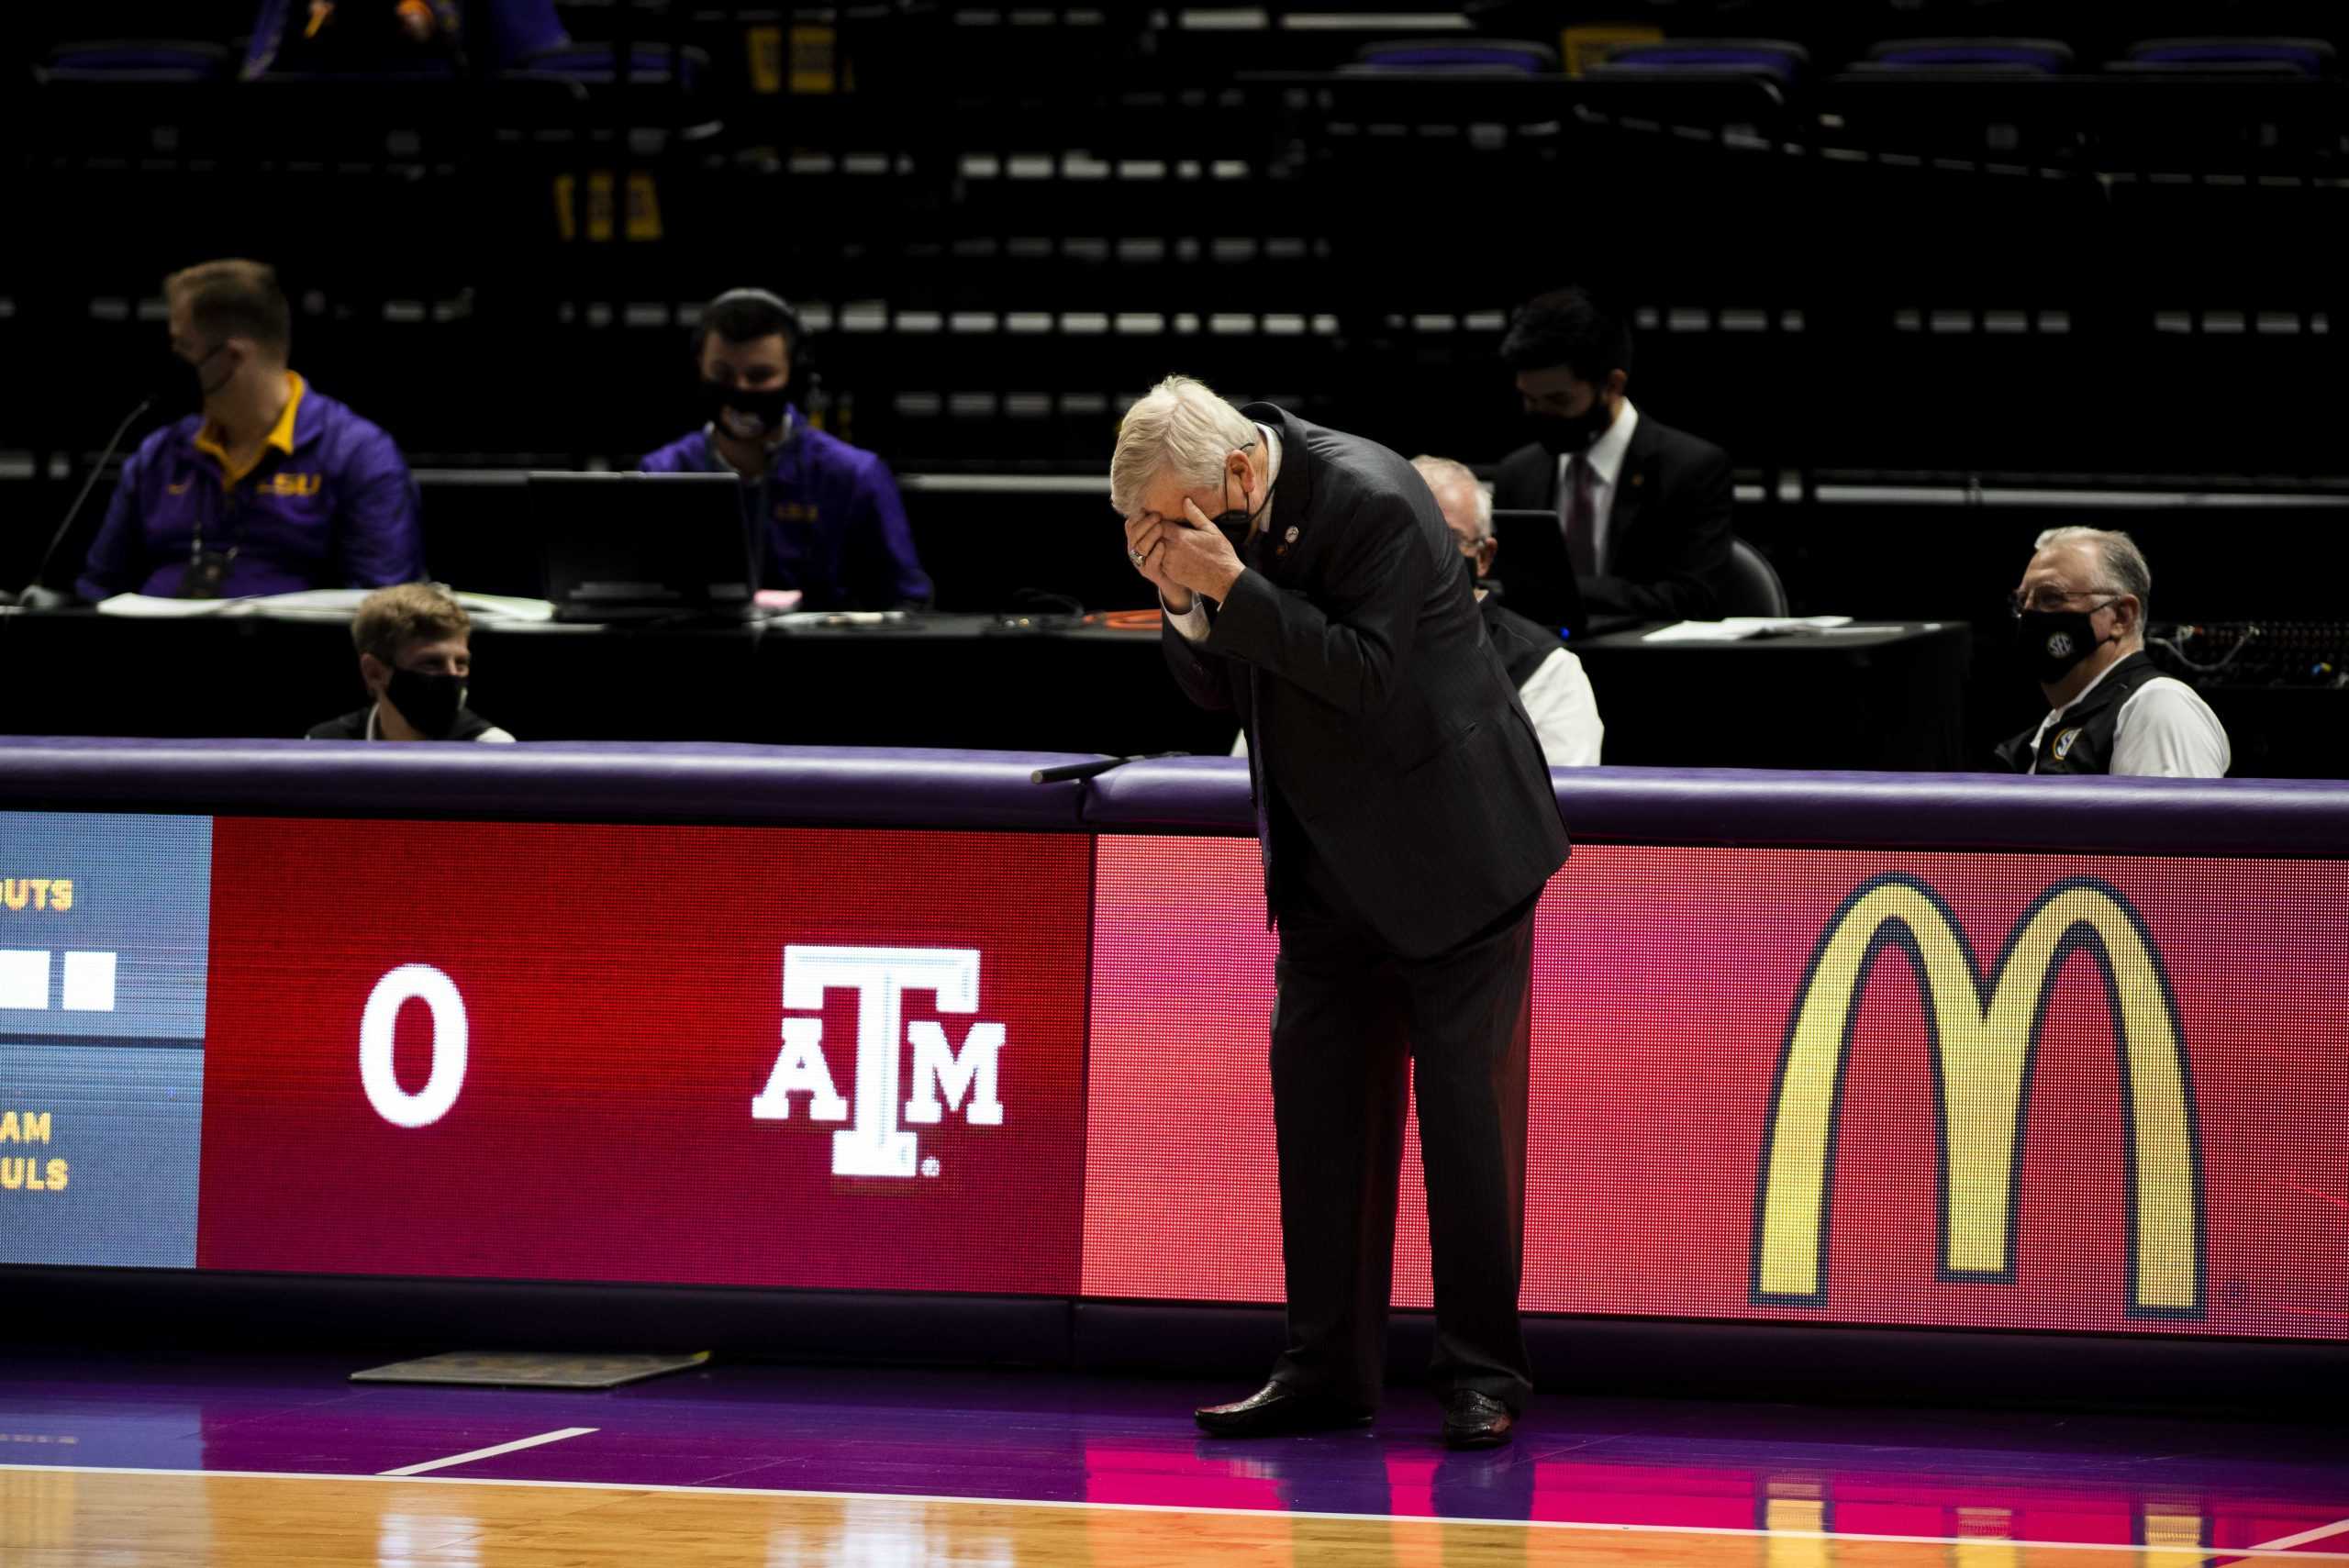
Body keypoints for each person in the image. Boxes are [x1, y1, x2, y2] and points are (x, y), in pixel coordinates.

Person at [1117, 375, 1570, 1450]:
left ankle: (1482, 1375)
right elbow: (1222, 685)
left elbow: (1364, 674)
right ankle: (1322, 1370)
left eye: (1173, 520)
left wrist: (1230, 586)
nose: (1172, 538)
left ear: (1235, 474)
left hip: (1456, 858)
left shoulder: (1376, 499)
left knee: (1468, 1138)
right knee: (1320, 1131)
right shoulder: (1218, 521)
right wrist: (1184, 601)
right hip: (1325, 872)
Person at [77, 260, 424, 604]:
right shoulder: (159, 453)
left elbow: (382, 611)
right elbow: (98, 588)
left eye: (183, 346)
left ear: (232, 357)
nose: (173, 360)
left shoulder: (359, 455)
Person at [639, 288, 932, 611]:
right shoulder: (662, 474)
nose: (740, 389)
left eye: (759, 376)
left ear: (796, 377)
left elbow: (907, 602)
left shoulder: (853, 476)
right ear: (699, 370)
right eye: (722, 374)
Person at [1489, 286, 1732, 620]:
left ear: (1613, 385)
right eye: (1530, 400)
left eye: (1559, 401)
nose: (1541, 414)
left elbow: (1695, 598)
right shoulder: (1517, 473)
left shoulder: (1690, 469)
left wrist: (1572, 589)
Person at [1412, 455, 1603, 768]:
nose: (1425, 551)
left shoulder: (1545, 669)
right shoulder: (1344, 642)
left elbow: (1565, 801)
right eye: (1407, 533)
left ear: (1484, 556)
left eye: (1449, 538)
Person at [1995, 527, 2227, 777]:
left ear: (2121, 616)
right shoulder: (2048, 732)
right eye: (2022, 601)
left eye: (2051, 598)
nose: (2028, 615)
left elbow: (2174, 817)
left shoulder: (2157, 706)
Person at [306, 583, 515, 741]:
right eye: (431, 663)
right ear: (374, 673)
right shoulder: (325, 745)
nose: (451, 676)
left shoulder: (491, 749)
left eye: (460, 663)